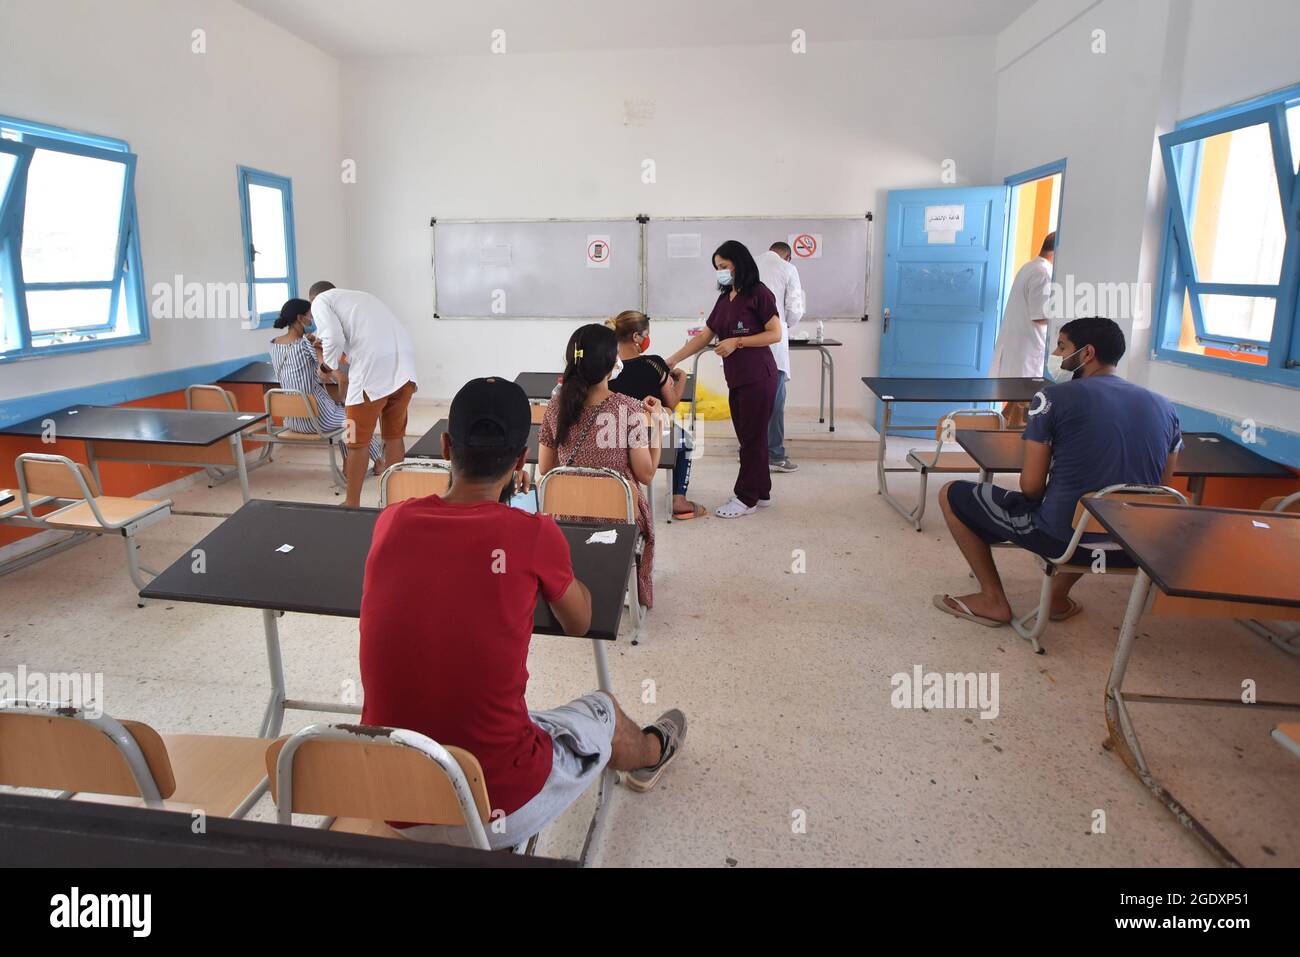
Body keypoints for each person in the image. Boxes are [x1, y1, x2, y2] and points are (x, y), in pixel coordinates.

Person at [359, 377, 686, 850]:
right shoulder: (531, 533)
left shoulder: (391, 522)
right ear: (520, 461)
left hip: (392, 796)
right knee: (604, 709)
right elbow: (579, 620)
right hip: (495, 802)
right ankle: (652, 752)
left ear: (448, 446)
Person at [934, 317, 1182, 627]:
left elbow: (1031, 487)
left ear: (1087, 353)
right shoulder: (1166, 407)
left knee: (952, 494)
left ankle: (992, 599)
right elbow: (1162, 490)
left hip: (1065, 542)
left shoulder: (1051, 399)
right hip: (1135, 546)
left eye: (1062, 346)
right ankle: (1057, 597)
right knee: (1095, 507)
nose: (1055, 353)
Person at [538, 324, 662, 610]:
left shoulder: (555, 407)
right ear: (610, 365)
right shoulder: (629, 409)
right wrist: (656, 425)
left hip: (566, 514)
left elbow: (545, 468)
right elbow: (646, 474)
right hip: (618, 518)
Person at [666, 240, 782, 519]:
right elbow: (706, 335)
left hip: (758, 375)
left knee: (751, 440)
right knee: (749, 437)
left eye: (724, 266)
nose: (721, 272)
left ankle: (746, 499)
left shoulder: (759, 293)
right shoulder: (725, 298)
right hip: (738, 378)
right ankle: (762, 492)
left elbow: (775, 333)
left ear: (739, 264)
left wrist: (738, 342)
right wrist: (672, 359)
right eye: (717, 268)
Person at [309, 281, 418, 507]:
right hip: (405, 367)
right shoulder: (358, 297)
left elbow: (334, 339)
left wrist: (326, 367)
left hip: (371, 371)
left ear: (313, 299)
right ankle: (394, 502)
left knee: (354, 440)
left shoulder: (320, 301)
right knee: (394, 435)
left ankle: (351, 502)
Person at [606, 310, 705, 520]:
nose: (647, 338)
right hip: (650, 438)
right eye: (646, 334)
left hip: (611, 437)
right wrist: (682, 380)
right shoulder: (654, 364)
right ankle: (678, 499)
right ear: (636, 337)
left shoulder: (608, 369)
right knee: (685, 440)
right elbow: (671, 404)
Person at [268, 299, 384, 469]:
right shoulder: (306, 344)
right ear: (301, 318)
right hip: (317, 418)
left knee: (343, 418)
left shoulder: (273, 344)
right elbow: (334, 373)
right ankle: (378, 461)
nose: (312, 320)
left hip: (291, 419)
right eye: (310, 316)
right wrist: (319, 348)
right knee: (352, 419)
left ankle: (348, 462)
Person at [989, 232, 1055, 427]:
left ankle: (1005, 439)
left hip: (1020, 350)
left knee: (1017, 404)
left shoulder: (1030, 267)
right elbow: (1041, 315)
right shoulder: (1043, 273)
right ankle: (1010, 447)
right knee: (1024, 407)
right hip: (1028, 351)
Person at [756, 241, 806, 473]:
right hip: (774, 345)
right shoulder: (788, 269)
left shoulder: (750, 264)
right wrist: (787, 324)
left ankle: (748, 452)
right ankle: (775, 455)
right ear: (787, 257)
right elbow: (794, 310)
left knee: (750, 401)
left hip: (745, 345)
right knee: (775, 401)